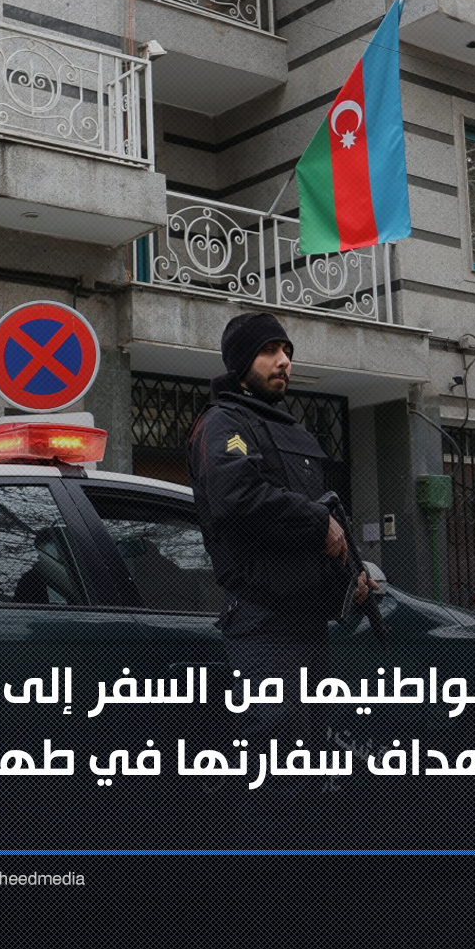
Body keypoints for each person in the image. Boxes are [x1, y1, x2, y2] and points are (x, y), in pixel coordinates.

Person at [187, 311, 370, 844]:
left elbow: (317, 526)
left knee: (310, 764)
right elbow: (237, 495)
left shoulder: (288, 428)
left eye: (287, 351)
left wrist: (350, 573)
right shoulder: (224, 423)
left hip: (307, 623)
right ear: (242, 362)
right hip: (264, 623)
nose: (283, 361)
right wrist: (318, 522)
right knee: (276, 768)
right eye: (269, 351)